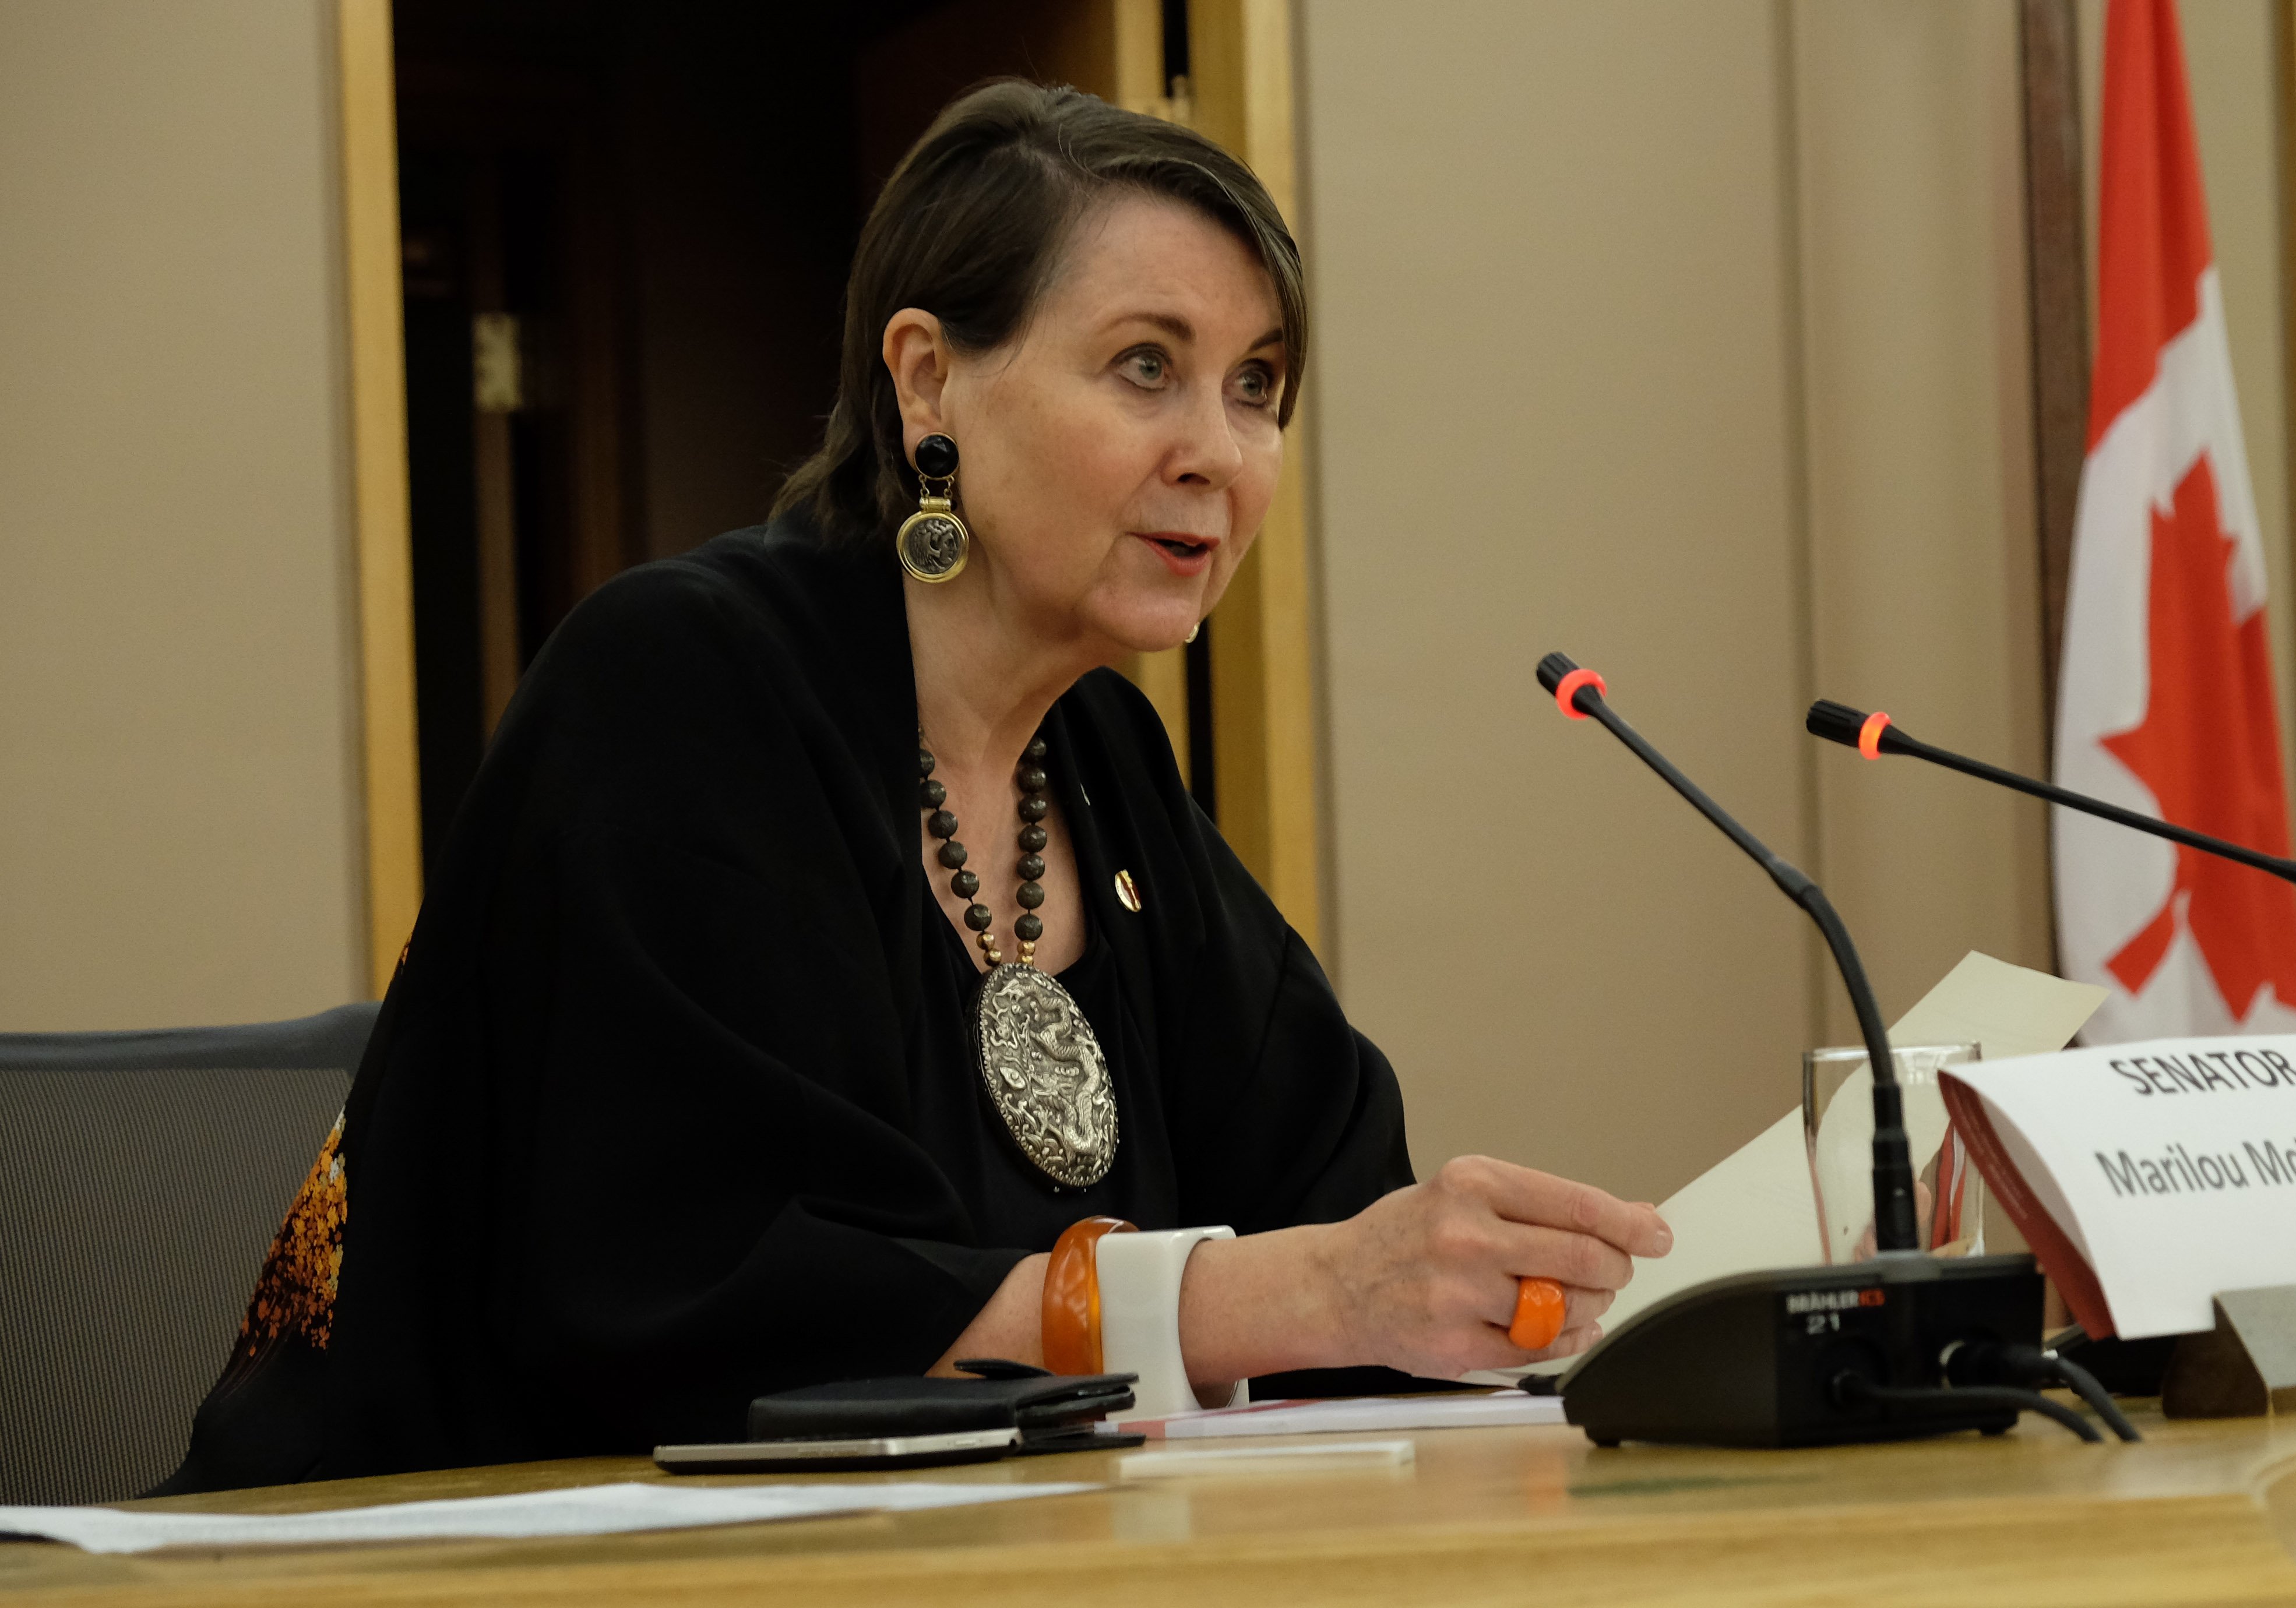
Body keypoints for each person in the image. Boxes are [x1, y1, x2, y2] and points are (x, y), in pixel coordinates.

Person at [157, 81, 1667, 1494]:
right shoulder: (678, 684)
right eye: (1148, 367)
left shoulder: (1105, 766)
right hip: (420, 1556)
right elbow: (715, 1294)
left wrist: (1481, 1288)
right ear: (929, 381)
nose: (1219, 453)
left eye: (1256, 385)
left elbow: (1330, 1199)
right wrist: (1276, 1295)